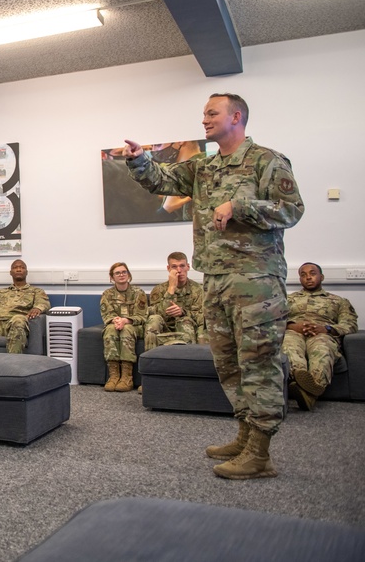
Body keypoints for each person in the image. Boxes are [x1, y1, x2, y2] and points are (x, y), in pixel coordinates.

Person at [125, 92, 304, 480]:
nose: (204, 119)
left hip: (256, 280)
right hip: (216, 280)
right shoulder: (204, 167)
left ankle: (261, 453)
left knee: (259, 363)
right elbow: (162, 180)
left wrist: (240, 207)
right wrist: (140, 159)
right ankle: (244, 434)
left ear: (236, 117)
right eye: (204, 113)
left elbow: (291, 210)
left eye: (212, 113)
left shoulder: (266, 160)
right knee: (227, 364)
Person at [283, 263, 358, 411]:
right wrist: (292, 326)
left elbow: (350, 324)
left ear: (321, 277)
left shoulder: (339, 301)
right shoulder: (287, 300)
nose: (308, 277)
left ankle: (310, 388)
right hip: (293, 332)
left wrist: (326, 328)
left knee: (322, 349)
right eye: (303, 275)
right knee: (288, 345)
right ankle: (303, 383)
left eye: (312, 273)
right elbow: (274, 320)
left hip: (322, 334)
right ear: (300, 279)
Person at [100, 262, 148, 392]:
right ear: (112, 277)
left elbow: (142, 316)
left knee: (126, 329)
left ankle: (127, 377)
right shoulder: (107, 294)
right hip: (114, 324)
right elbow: (107, 314)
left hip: (134, 326)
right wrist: (116, 320)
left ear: (128, 274)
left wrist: (126, 320)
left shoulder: (139, 293)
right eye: (117, 273)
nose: (121, 275)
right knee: (110, 330)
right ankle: (114, 375)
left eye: (124, 272)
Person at [145, 252, 204, 351]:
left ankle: (187, 359)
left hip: (187, 328)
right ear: (168, 268)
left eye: (182, 266)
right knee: (153, 318)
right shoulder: (158, 289)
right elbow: (156, 314)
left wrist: (183, 312)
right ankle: (151, 358)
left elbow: (203, 318)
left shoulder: (198, 290)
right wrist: (171, 288)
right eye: (174, 267)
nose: (179, 270)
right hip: (164, 327)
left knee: (185, 320)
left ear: (188, 267)